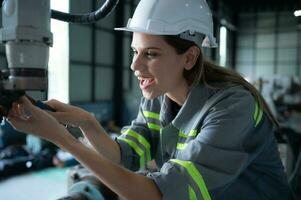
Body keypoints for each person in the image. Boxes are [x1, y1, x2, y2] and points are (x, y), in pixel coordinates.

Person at [6, 0, 291, 199]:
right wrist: (85, 121)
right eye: (135, 51)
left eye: (151, 54)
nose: (135, 66)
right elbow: (125, 156)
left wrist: (62, 140)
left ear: (190, 57)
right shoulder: (158, 97)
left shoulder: (232, 108)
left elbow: (158, 194)